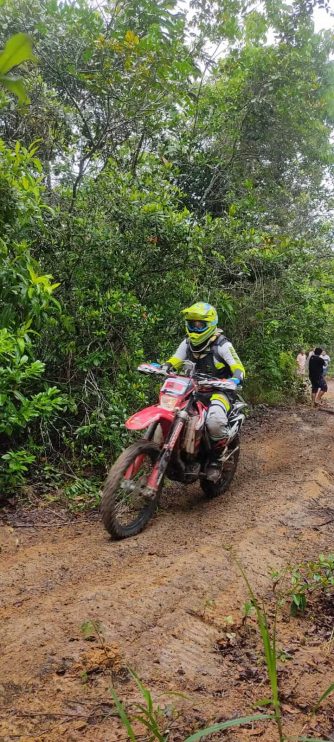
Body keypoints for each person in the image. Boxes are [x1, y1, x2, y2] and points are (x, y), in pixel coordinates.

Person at [164, 302, 245, 481]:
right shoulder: (187, 343)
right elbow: (175, 360)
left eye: (200, 325)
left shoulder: (222, 345)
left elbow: (238, 366)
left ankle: (215, 459)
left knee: (214, 420)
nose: (195, 328)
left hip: (220, 392)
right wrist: (165, 366)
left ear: (210, 324)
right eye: (192, 324)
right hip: (194, 391)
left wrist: (235, 378)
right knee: (173, 412)